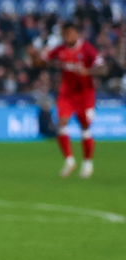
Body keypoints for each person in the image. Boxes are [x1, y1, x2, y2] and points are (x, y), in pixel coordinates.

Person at [29, 22, 106, 178]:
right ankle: (70, 161)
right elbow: (41, 63)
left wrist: (88, 71)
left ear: (77, 33)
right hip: (67, 94)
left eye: (69, 33)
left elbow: (103, 68)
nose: (67, 37)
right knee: (61, 124)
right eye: (64, 34)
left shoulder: (87, 49)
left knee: (85, 127)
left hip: (85, 95)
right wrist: (33, 55)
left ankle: (87, 163)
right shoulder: (60, 49)